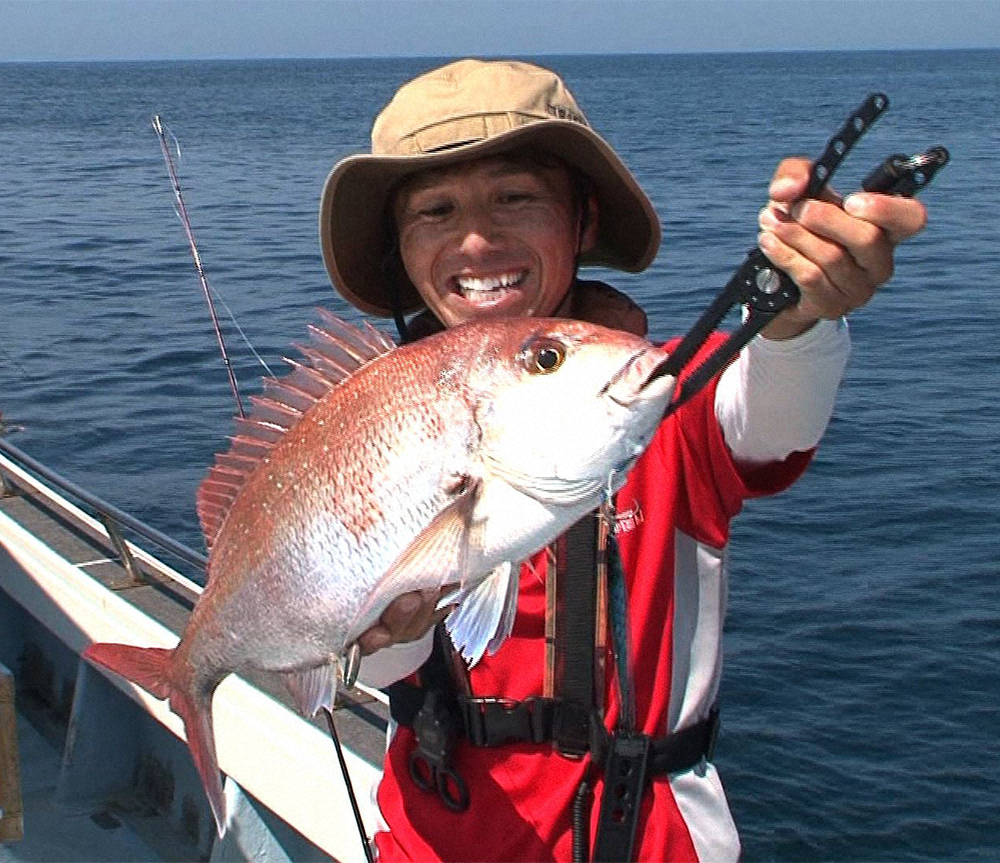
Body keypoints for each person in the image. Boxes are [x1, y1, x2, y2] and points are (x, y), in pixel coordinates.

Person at [318, 59, 927, 862]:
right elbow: (383, 657)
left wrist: (800, 312)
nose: (476, 239)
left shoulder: (661, 399)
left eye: (515, 196)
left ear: (583, 220)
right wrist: (378, 632)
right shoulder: (368, 430)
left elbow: (772, 409)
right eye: (435, 210)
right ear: (401, 250)